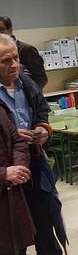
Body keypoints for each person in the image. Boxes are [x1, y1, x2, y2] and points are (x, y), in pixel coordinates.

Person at [0, 34, 65, 255]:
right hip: (6, 170)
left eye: (15, 57)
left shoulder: (26, 83)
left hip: (34, 162)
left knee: (45, 226)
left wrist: (42, 129)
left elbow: (42, 111)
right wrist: (11, 136)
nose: (14, 64)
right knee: (14, 237)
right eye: (5, 61)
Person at [0, 106, 35, 255]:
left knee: (18, 248)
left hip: (11, 201)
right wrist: (3, 174)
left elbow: (17, 140)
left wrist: (19, 166)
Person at [0, 17, 48, 89]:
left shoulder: (27, 50)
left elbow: (41, 78)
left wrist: (29, 93)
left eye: (1, 30)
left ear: (10, 30)